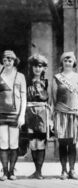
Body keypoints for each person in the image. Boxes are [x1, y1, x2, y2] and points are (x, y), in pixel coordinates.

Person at [52, 52, 78, 180]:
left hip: (74, 113)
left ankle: (72, 170)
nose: (68, 62)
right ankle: (63, 171)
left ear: (74, 63)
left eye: (70, 60)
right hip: (61, 113)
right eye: (65, 60)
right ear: (62, 62)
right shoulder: (57, 77)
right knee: (62, 143)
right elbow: (54, 97)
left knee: (72, 143)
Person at [0, 50, 27, 181]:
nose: (8, 61)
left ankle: (12, 171)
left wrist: (22, 116)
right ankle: (4, 172)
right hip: (1, 114)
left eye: (10, 59)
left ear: (14, 61)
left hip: (15, 114)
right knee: (3, 142)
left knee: (13, 143)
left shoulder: (20, 76)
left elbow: (23, 96)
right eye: (5, 59)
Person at [25, 54, 51, 179]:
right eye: (35, 66)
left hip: (42, 112)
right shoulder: (26, 81)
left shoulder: (46, 82)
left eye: (40, 66)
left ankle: (39, 171)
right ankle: (35, 170)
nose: (37, 68)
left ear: (44, 68)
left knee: (40, 142)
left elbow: (47, 99)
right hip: (30, 111)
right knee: (32, 143)